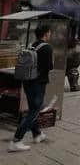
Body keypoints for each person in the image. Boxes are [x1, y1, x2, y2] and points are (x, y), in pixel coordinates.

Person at [9, 24, 53, 153]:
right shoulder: (47, 47)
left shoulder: (33, 45)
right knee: (34, 111)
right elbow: (48, 66)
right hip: (38, 83)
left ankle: (37, 134)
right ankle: (16, 141)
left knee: (33, 108)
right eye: (49, 32)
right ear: (46, 33)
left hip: (28, 81)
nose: (50, 34)